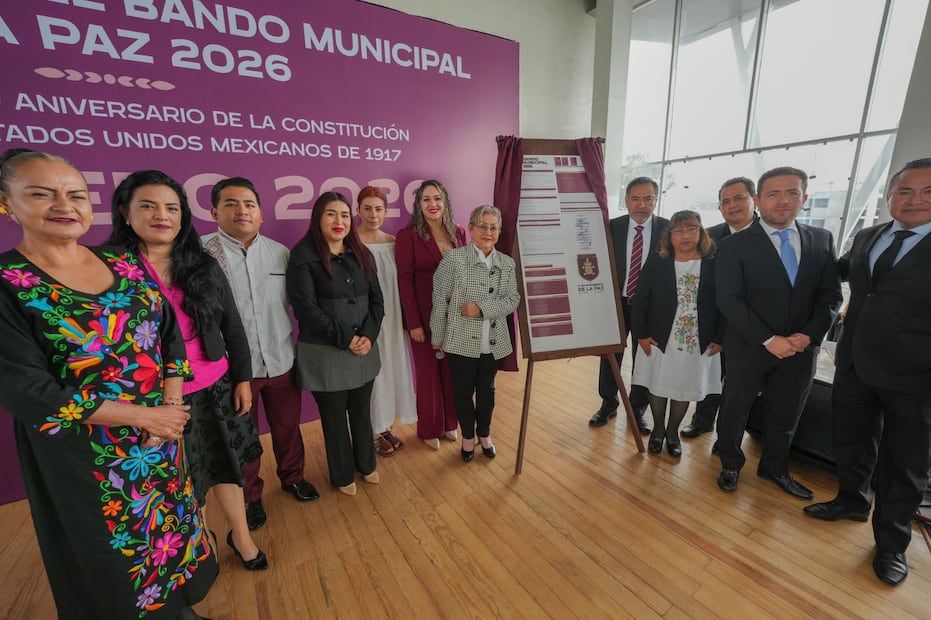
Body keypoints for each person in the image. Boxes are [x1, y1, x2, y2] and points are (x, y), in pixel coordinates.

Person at [0, 150, 217, 618]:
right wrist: (143, 416)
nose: (64, 205)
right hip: (84, 455)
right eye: (41, 193)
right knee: (111, 556)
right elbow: (27, 389)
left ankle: (179, 609)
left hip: (158, 435)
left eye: (76, 194)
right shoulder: (7, 282)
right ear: (6, 202)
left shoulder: (123, 261)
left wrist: (171, 407)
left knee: (170, 531)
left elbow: (169, 339)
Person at [109, 170, 269, 572]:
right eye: (148, 206)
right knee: (181, 479)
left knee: (227, 467)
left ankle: (241, 536)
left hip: (215, 384)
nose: (161, 215)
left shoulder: (202, 264)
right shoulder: (109, 270)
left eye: (171, 207)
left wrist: (243, 378)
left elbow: (232, 325)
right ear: (126, 213)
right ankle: (198, 540)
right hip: (153, 400)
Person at [803, 158, 931, 586]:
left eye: (927, 191)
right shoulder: (868, 236)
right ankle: (852, 500)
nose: (914, 200)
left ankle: (892, 545)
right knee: (851, 441)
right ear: (890, 196)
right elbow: (836, 273)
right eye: (905, 191)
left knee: (904, 463)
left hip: (917, 376)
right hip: (855, 363)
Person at [714, 166, 842, 498]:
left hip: (800, 350)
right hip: (750, 346)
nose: (782, 201)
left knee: (787, 412)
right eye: (773, 194)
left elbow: (830, 296)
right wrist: (769, 340)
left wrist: (808, 336)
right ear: (758, 200)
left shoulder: (822, 240)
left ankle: (774, 468)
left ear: (804, 198)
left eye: (792, 193)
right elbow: (729, 299)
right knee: (735, 409)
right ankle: (730, 462)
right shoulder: (735, 245)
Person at [202, 177, 320, 533]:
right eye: (231, 204)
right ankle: (250, 497)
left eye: (249, 204)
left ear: (261, 213)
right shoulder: (203, 255)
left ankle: (293, 477)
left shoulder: (280, 253)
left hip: (280, 359)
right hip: (235, 369)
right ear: (214, 211)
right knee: (243, 437)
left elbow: (293, 304)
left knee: (287, 428)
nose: (242, 211)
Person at [287, 192, 384, 496]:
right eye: (331, 214)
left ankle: (366, 464)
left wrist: (367, 336)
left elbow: (377, 302)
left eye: (344, 215)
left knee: (360, 412)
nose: (339, 221)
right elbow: (306, 310)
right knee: (333, 418)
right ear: (318, 218)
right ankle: (342, 476)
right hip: (325, 352)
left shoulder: (362, 253)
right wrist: (347, 339)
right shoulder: (303, 256)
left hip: (363, 349)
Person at [431, 205, 520, 461]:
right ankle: (468, 437)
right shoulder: (453, 260)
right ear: (470, 229)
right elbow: (440, 300)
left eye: (493, 227)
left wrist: (481, 308)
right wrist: (437, 336)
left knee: (487, 391)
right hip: (459, 341)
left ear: (499, 232)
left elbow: (513, 299)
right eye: (482, 226)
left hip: (493, 342)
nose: (487, 232)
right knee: (462, 392)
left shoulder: (506, 262)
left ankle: (484, 434)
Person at [631, 210, 723, 458]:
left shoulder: (714, 263)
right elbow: (641, 300)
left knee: (684, 385)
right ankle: (658, 430)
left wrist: (720, 337)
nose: (686, 235)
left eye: (692, 229)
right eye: (679, 230)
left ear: (701, 233)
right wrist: (640, 334)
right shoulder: (657, 261)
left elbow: (726, 302)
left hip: (698, 339)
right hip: (659, 337)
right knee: (658, 384)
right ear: (669, 235)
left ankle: (673, 432)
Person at [591, 177, 670, 434]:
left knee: (645, 358)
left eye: (648, 199)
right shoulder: (611, 227)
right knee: (611, 355)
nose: (642, 205)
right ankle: (608, 404)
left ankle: (637, 411)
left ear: (656, 201)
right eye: (635, 198)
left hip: (651, 309)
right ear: (626, 201)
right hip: (616, 303)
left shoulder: (668, 231)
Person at [681, 177, 758, 440]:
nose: (732, 205)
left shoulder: (768, 235)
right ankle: (702, 421)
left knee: (740, 388)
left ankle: (728, 439)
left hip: (756, 326)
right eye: (726, 201)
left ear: (754, 200)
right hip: (718, 321)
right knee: (712, 375)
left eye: (739, 198)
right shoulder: (710, 237)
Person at [396, 180, 467, 449]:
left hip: (456, 317)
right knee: (428, 375)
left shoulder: (459, 232)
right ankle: (429, 429)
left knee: (452, 372)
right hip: (424, 318)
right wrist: (413, 322)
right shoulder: (408, 236)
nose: (432, 204)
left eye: (437, 198)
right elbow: (404, 281)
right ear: (418, 205)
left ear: (445, 201)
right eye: (426, 199)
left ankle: (450, 423)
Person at [355, 186, 417, 457]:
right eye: (367, 208)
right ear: (357, 210)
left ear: (386, 211)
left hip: (391, 318)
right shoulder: (350, 242)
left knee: (390, 370)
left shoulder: (394, 242)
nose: (373, 214)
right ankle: (367, 430)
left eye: (378, 208)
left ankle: (382, 425)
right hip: (364, 321)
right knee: (371, 374)